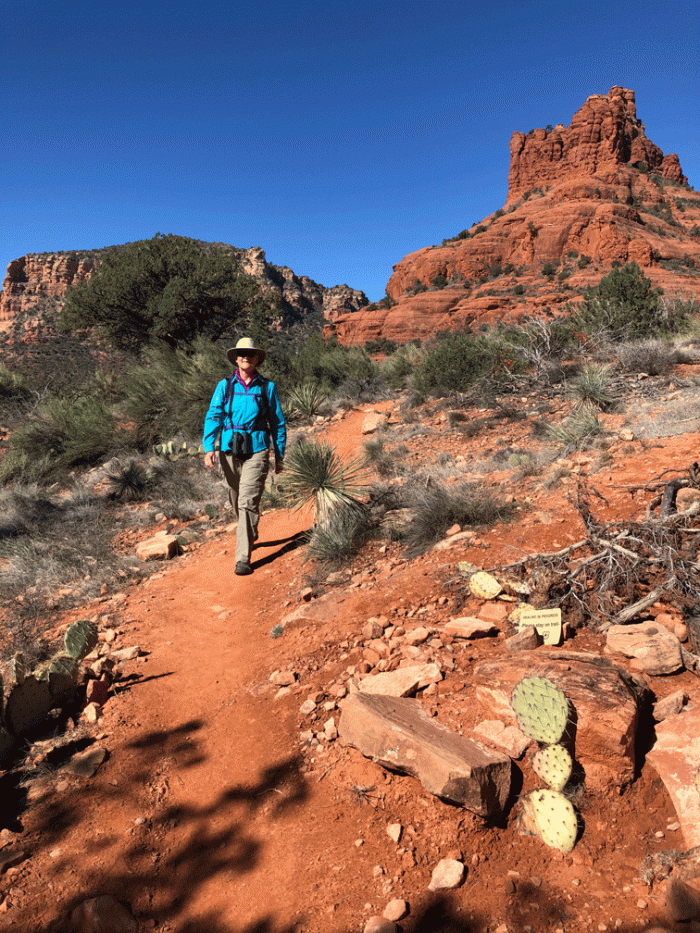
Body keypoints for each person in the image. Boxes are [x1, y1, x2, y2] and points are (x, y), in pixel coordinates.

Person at [203, 337, 286, 576]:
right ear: (236, 359)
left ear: (257, 358)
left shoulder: (267, 387)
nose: (245, 357)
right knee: (235, 497)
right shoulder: (225, 386)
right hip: (229, 449)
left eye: (250, 354)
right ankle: (250, 530)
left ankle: (243, 558)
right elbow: (214, 415)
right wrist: (209, 447)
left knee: (247, 501)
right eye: (241, 354)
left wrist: (279, 454)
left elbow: (277, 422)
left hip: (257, 449)